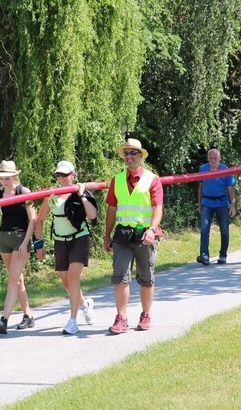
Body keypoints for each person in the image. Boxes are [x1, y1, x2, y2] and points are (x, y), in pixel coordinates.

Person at [104, 139, 163, 334]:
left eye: (133, 153)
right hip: (122, 234)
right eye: (126, 154)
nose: (129, 157)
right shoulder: (117, 180)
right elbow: (112, 209)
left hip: (145, 234)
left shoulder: (152, 179)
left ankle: (145, 314)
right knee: (120, 276)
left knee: (146, 277)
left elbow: (158, 208)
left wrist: (152, 229)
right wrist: (107, 235)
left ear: (140, 156)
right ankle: (121, 318)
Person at [34, 160, 98, 335]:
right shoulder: (52, 195)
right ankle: (85, 304)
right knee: (66, 282)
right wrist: (38, 243)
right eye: (58, 175)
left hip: (79, 238)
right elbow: (39, 220)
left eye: (65, 175)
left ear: (73, 175)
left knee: (73, 278)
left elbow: (92, 215)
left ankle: (72, 320)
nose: (61, 178)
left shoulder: (79, 192)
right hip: (60, 240)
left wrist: (83, 194)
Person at [0, 161, 37, 334]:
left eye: (7, 178)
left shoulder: (23, 191)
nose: (3, 181)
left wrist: (25, 242)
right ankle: (28, 316)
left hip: (20, 238)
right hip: (3, 238)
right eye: (1, 178)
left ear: (14, 176)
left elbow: (33, 220)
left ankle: (4, 319)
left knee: (12, 281)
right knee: (17, 280)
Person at [196, 149, 236, 265]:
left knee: (224, 229)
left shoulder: (225, 170)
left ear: (220, 158)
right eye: (211, 158)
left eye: (215, 158)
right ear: (208, 158)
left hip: (222, 202)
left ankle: (223, 255)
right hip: (206, 202)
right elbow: (200, 187)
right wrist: (199, 204)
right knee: (204, 229)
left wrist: (232, 205)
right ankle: (204, 255)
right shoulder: (203, 169)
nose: (213, 161)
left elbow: (231, 189)